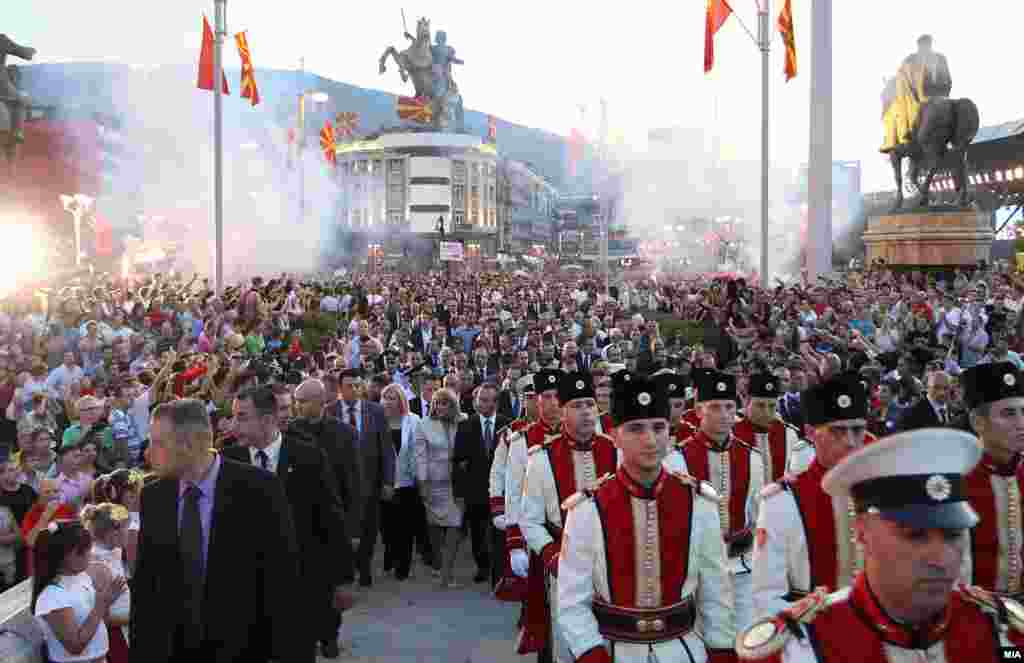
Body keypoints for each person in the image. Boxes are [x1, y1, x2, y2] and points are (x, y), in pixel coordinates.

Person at [736, 428, 1024, 662]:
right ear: (863, 532)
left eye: (953, 535)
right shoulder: (801, 648)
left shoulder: (1003, 636)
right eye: (915, 535)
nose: (941, 558)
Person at [557, 373, 736, 663]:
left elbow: (715, 590)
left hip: (683, 650)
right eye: (636, 429)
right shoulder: (588, 508)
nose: (650, 440)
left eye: (658, 427)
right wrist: (592, 654)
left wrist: (722, 650)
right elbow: (572, 602)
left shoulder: (699, 502)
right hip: (614, 650)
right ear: (614, 436)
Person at [130, 398, 303, 663]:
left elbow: (282, 578)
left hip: (241, 649)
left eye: (158, 443)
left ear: (190, 444)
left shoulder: (259, 489)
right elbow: (146, 586)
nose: (148, 452)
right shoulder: (154, 496)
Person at [751, 373, 869, 619]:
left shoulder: (883, 493)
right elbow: (767, 596)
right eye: (838, 431)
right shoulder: (783, 500)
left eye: (858, 430)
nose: (851, 442)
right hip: (810, 632)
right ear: (811, 432)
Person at [521, 371, 618, 663]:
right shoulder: (542, 458)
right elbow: (530, 519)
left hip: (610, 563)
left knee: (611, 641)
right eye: (577, 406)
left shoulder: (615, 450)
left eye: (589, 404)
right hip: (564, 563)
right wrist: (554, 558)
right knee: (568, 644)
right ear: (562, 411)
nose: (586, 411)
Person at [663, 370, 764, 632]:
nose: (724, 414)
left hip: (742, 567)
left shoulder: (752, 457)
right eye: (715, 407)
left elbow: (757, 517)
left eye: (729, 407)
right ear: (698, 411)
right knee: (704, 638)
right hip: (696, 569)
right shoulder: (676, 459)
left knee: (744, 637)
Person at [959, 362, 1024, 596]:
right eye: (1008, 414)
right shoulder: (957, 481)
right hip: (972, 610)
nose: (1021, 423)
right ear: (978, 422)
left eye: (1023, 411)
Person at [329, 368, 394, 587]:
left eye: (358, 385)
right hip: (339, 482)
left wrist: (388, 481)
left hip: (369, 480)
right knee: (343, 526)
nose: (354, 390)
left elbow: (386, 448)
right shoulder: (330, 411)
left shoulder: (375, 411)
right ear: (340, 388)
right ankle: (346, 567)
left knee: (369, 527)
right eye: (349, 386)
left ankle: (364, 567)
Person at [33, 520, 126, 663]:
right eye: (85, 551)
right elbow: (75, 646)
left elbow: (97, 622)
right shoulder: (52, 595)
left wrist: (107, 601)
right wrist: (101, 605)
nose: (90, 554)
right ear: (68, 556)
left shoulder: (82, 577)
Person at [452, 382, 510, 585]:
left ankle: (499, 569)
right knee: (477, 532)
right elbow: (458, 460)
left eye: (491, 400)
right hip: (475, 489)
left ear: (497, 402)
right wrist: (460, 492)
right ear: (476, 402)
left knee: (499, 532)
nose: (487, 404)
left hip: (500, 489)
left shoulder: (507, 424)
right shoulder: (465, 426)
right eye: (482, 400)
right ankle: (482, 566)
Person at [414, 387, 466, 588]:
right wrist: (422, 483)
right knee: (434, 525)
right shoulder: (423, 424)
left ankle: (447, 572)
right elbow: (420, 456)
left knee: (455, 524)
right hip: (434, 482)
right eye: (436, 403)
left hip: (457, 484)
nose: (440, 407)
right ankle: (438, 563)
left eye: (444, 403)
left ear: (453, 405)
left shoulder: (463, 421)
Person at [379, 383, 426, 581]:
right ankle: (390, 554)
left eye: (392, 398)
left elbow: (419, 451)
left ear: (401, 401)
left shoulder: (413, 420)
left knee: (405, 527)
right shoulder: (378, 421)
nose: (388, 402)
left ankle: (403, 566)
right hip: (384, 483)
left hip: (408, 482)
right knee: (387, 527)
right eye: (385, 397)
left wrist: (420, 478)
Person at [880, 34, 953, 153]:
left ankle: (910, 137)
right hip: (943, 94)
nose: (924, 47)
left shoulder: (917, 59)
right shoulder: (940, 57)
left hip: (929, 96)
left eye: (925, 44)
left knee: (914, 114)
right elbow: (948, 79)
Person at [81, 502, 131, 663]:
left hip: (126, 628)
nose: (129, 532)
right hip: (114, 637)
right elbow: (102, 618)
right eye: (126, 528)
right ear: (113, 533)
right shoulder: (96, 565)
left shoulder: (115, 550)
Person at [732, 373, 802, 484]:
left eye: (772, 406)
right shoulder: (733, 434)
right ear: (747, 403)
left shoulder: (788, 434)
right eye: (760, 405)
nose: (766, 412)